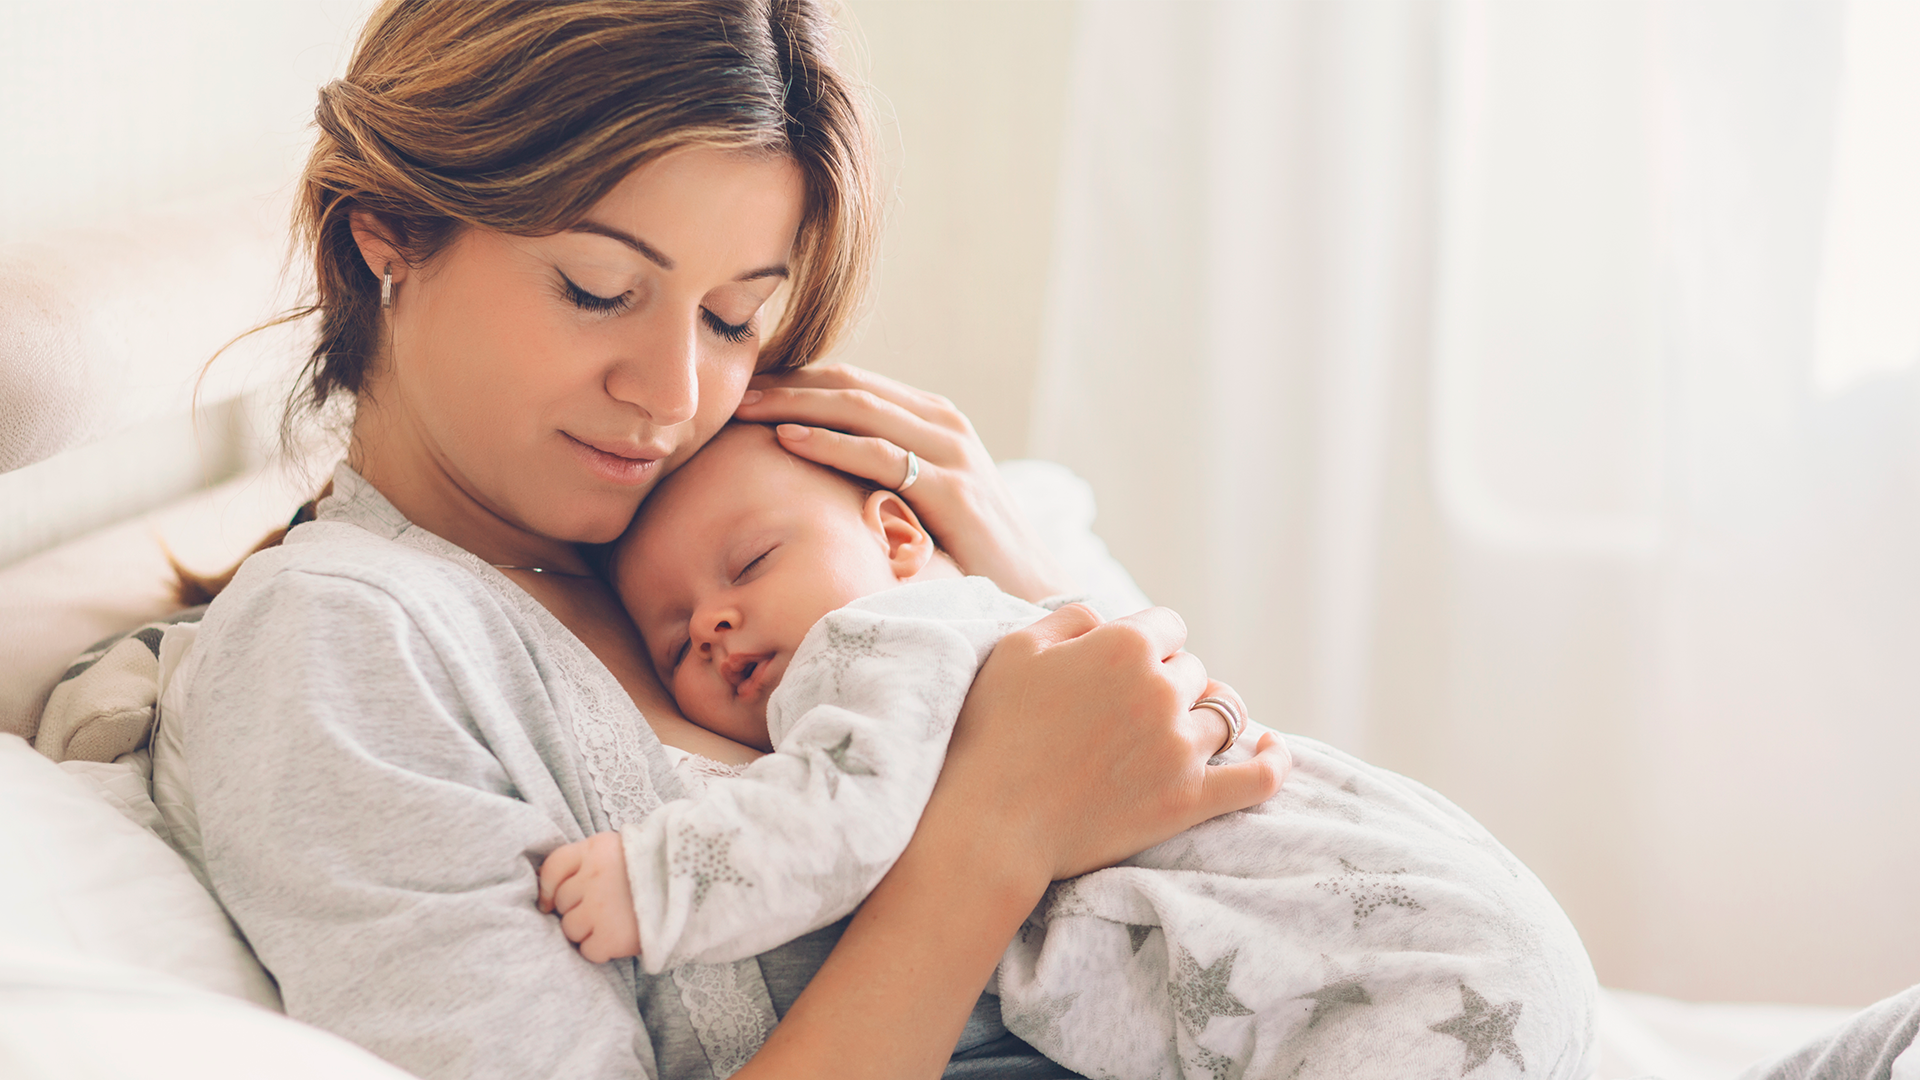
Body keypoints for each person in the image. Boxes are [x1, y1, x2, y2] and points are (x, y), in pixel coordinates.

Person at [149, 2, 1288, 1079]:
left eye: (733, 317)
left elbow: (1202, 821)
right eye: (598, 289)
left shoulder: (756, 512)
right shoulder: (335, 643)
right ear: (389, 232)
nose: (673, 395)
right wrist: (995, 832)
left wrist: (1017, 576)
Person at [538, 421, 1599, 1080]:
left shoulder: (877, 643)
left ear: (899, 538)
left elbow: (835, 819)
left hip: (1408, 966)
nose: (713, 622)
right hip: (1458, 946)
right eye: (674, 637)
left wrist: (655, 880)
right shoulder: (999, 634)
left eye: (750, 563)